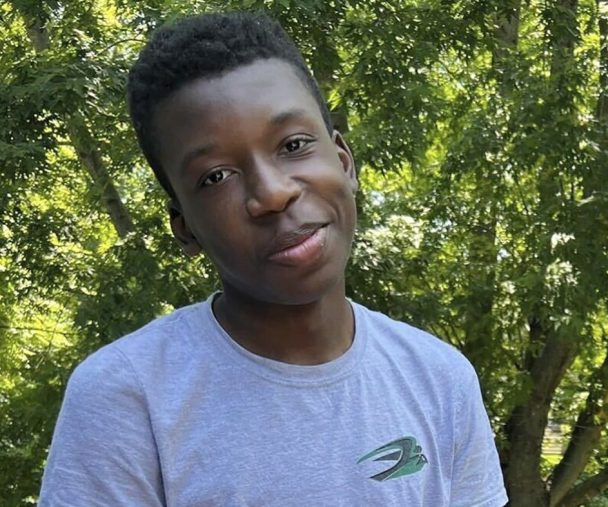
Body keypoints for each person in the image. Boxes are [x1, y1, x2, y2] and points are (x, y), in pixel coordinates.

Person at [38, 11, 507, 507]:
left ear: (344, 161)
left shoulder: (438, 379)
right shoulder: (127, 399)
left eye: (294, 145)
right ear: (185, 227)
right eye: (215, 176)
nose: (273, 193)